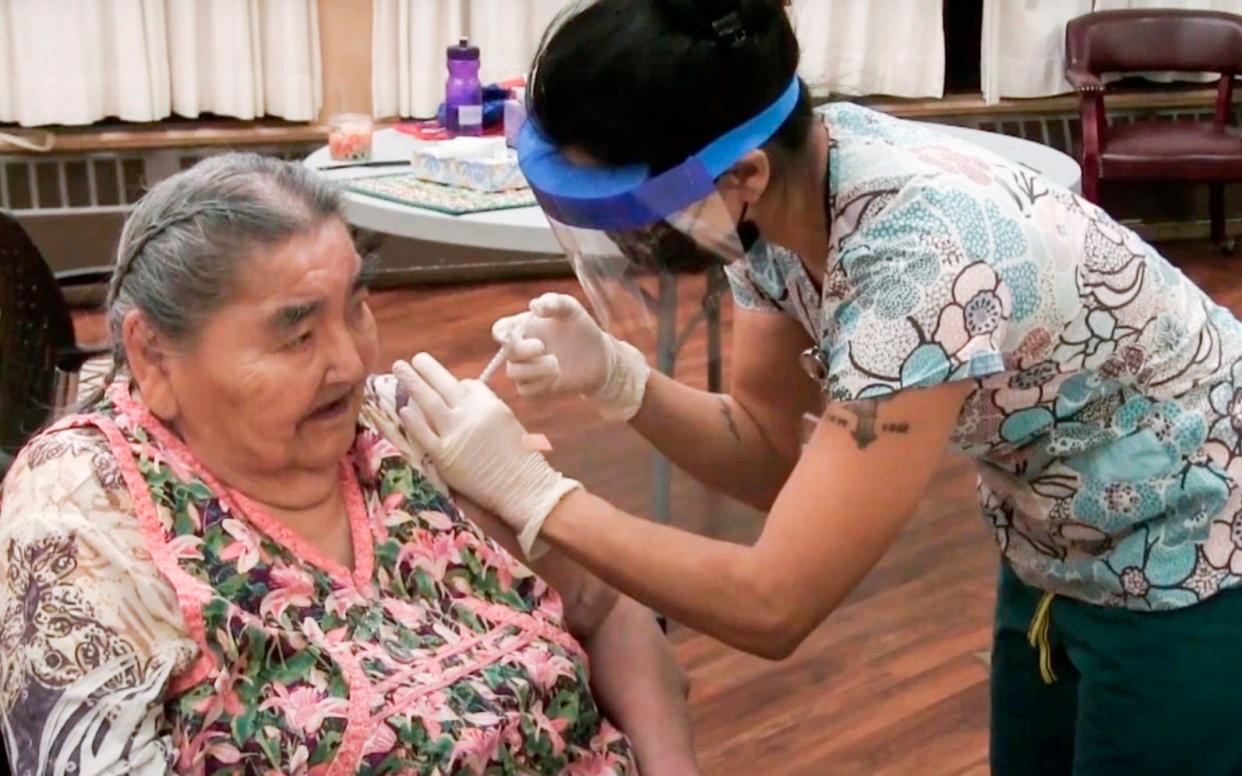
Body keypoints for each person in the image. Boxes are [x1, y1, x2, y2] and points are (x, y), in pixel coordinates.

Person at [394, 0, 1242, 774]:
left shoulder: (922, 263)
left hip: (1194, 545)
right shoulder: (791, 189)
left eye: (631, 212)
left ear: (741, 179)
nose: (634, 239)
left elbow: (777, 602)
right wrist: (623, 382)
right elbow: (768, 455)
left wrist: (536, 494)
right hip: (1057, 533)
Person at [0, 153, 699, 775]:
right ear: (154, 355)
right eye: (299, 334)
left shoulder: (402, 421)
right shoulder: (81, 509)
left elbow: (606, 608)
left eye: (356, 308)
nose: (351, 361)